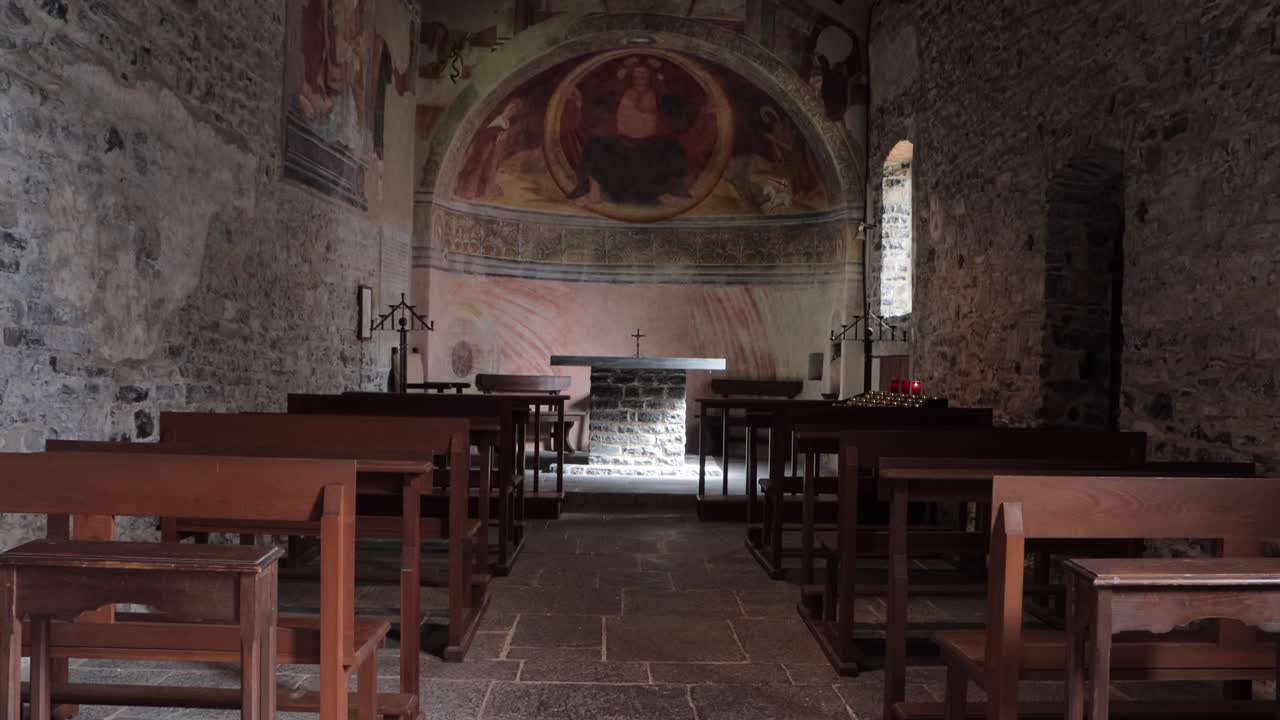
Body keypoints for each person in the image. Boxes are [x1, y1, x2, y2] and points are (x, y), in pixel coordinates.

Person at [565, 59, 709, 208]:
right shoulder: (619, 92)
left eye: (644, 73)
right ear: (631, 75)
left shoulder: (660, 95)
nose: (640, 76)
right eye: (637, 72)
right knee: (595, 144)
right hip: (622, 143)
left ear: (650, 76)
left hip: (649, 145)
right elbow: (597, 111)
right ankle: (594, 193)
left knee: (673, 147)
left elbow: (678, 116)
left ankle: (673, 194)